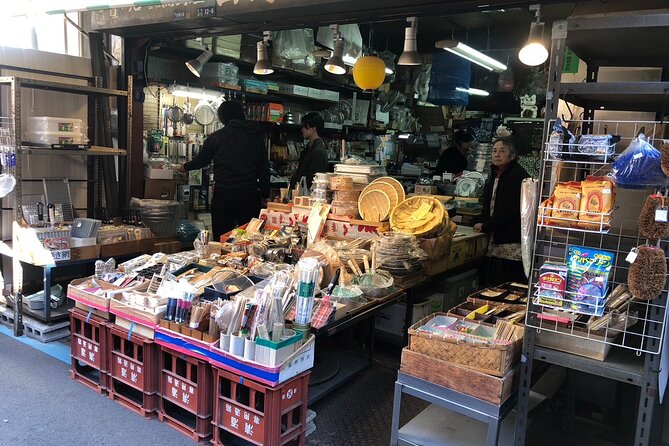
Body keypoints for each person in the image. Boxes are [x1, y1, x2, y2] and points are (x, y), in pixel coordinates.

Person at [180, 101, 270, 240]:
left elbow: (201, 161)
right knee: (250, 237)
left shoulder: (216, 137)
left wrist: (185, 167)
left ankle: (221, 260)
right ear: (242, 115)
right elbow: (264, 168)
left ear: (222, 118)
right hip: (248, 194)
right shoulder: (256, 137)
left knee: (222, 237)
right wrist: (265, 194)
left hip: (224, 194)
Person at [474, 136, 530, 285]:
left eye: (502, 151)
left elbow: (508, 210)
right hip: (497, 235)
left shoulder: (517, 176)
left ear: (512, 156)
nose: (496, 155)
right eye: (494, 151)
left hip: (510, 238)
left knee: (510, 281)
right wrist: (482, 221)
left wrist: (486, 226)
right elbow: (488, 202)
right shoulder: (496, 173)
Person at [290, 112, 329, 191]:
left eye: (305, 127)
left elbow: (314, 180)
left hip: (308, 194)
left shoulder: (318, 151)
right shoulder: (311, 147)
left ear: (314, 128)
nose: (302, 130)